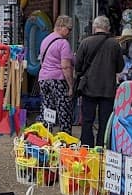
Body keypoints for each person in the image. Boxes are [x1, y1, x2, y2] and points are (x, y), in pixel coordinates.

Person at [74, 15, 125, 148]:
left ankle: (86, 147)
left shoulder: (85, 42)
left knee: (87, 120)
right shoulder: (115, 44)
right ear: (107, 28)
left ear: (94, 27)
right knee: (105, 121)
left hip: (88, 87)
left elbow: (78, 65)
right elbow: (120, 67)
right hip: (108, 89)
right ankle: (102, 147)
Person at [36, 14, 75, 133]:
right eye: (69, 29)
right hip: (57, 79)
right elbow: (65, 66)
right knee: (64, 111)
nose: (69, 32)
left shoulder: (45, 40)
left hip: (43, 79)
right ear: (61, 26)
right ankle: (65, 139)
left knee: (48, 110)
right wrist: (71, 85)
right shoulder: (63, 43)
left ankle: (46, 137)